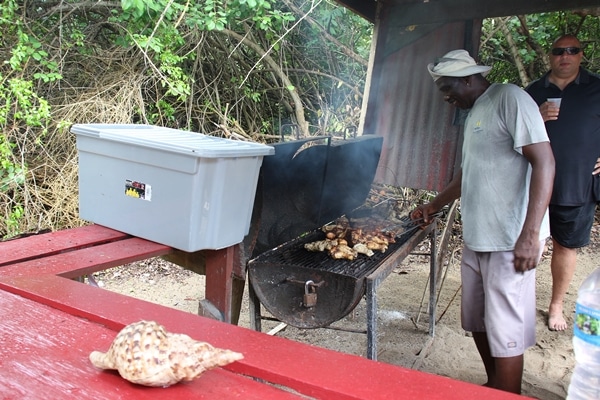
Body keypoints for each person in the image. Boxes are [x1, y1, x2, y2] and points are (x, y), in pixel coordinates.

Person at [413, 49, 555, 394]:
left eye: (448, 89)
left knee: (505, 329)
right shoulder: (476, 110)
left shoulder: (510, 98)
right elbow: (467, 174)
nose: (446, 98)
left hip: (510, 238)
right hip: (479, 236)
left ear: (468, 79)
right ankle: (493, 385)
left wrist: (530, 234)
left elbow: (545, 163)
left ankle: (508, 393)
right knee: (477, 320)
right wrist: (434, 203)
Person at [525, 34, 600, 332]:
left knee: (566, 245)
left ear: (581, 54)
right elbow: (511, 136)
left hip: (578, 182)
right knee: (530, 241)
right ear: (550, 56)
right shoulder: (532, 92)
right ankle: (521, 301)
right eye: (558, 51)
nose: (564, 56)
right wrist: (534, 117)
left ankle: (555, 304)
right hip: (532, 184)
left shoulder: (597, 88)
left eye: (572, 50)